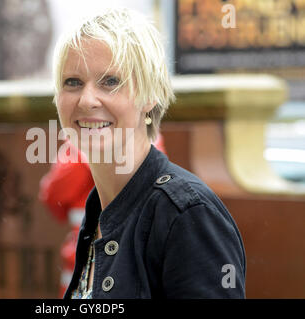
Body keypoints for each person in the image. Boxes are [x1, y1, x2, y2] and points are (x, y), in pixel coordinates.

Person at [51, 7, 246, 298]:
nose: (87, 99)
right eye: (73, 82)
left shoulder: (187, 214)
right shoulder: (97, 214)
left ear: (149, 96)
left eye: (110, 81)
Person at [39, 135, 167, 297]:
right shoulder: (147, 139)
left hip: (90, 268)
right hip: (125, 268)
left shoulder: (80, 142)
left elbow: (54, 200)